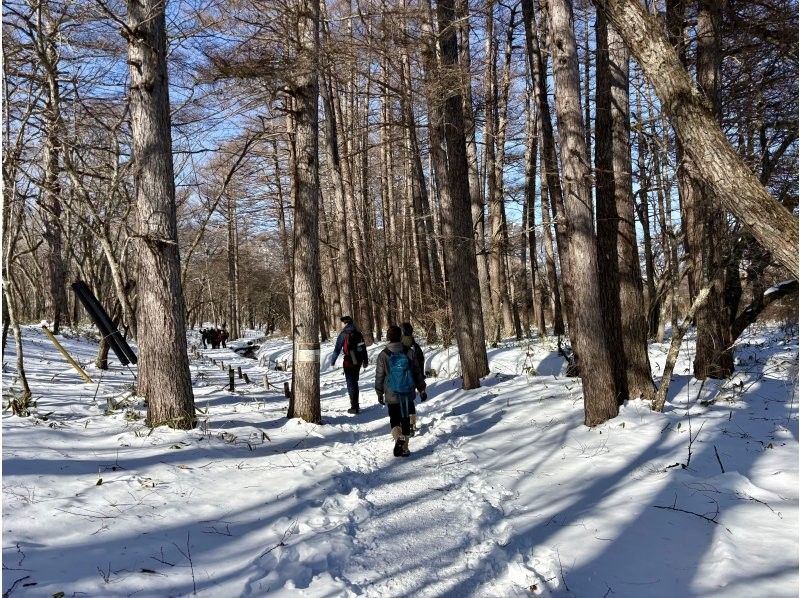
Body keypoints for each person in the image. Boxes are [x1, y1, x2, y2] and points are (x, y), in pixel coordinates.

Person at [375, 325, 426, 457]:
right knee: (405, 420)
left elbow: (380, 375)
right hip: (407, 392)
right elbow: (417, 372)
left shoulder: (383, 354)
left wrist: (379, 392)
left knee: (394, 419)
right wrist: (421, 389)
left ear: (388, 337)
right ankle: (405, 448)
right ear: (400, 336)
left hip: (391, 393)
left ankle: (399, 438)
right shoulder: (409, 352)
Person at [331, 316, 369, 414]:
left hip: (348, 361)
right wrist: (365, 360)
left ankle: (354, 406)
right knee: (354, 382)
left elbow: (337, 349)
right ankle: (355, 405)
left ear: (345, 323)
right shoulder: (358, 333)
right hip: (358, 360)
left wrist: (333, 360)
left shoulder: (343, 334)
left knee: (350, 383)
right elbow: (363, 348)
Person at [400, 322, 428, 436]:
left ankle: (404, 425)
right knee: (410, 402)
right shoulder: (415, 347)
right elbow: (419, 367)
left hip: (399, 381)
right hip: (412, 380)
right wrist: (421, 388)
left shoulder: (397, 345)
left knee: (401, 403)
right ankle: (411, 425)